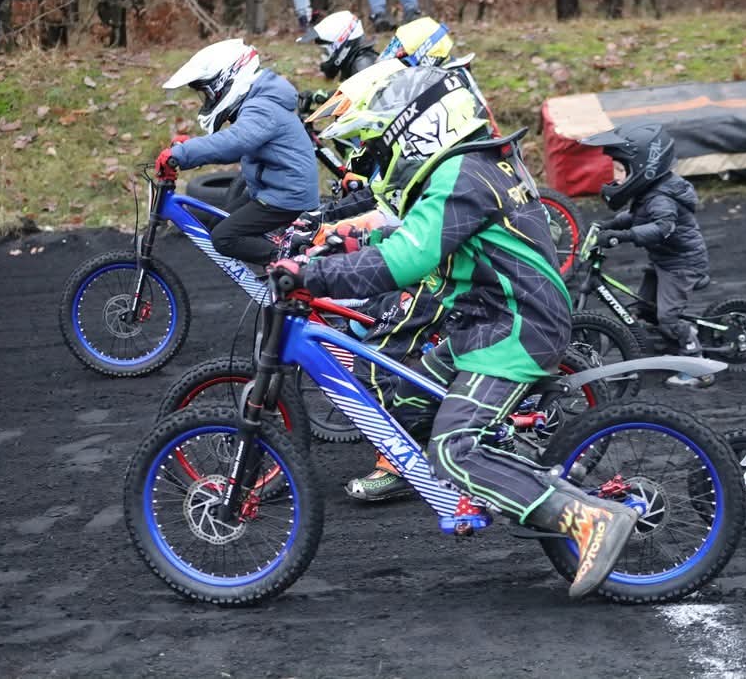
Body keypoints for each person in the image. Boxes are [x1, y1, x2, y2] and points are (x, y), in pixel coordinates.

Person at [270, 66, 639, 598]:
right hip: (488, 319)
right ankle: (496, 476)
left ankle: (584, 518)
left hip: (516, 325)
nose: (370, 156)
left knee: (451, 448)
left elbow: (405, 260)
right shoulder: (473, 165)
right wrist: (344, 246)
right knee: (399, 398)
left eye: (376, 143)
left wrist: (312, 273)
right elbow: (424, 235)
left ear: (417, 130)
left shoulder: (461, 175)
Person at [155, 39, 319, 265]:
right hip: (273, 189)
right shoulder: (259, 101)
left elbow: (235, 142)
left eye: (208, 93)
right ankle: (275, 266)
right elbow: (237, 145)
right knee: (216, 223)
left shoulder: (262, 106)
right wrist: (190, 147)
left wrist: (183, 153)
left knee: (224, 237)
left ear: (227, 80)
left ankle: (291, 265)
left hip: (287, 196)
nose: (208, 100)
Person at [582, 119, 713, 387]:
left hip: (682, 264)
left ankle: (698, 365)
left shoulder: (662, 198)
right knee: (645, 308)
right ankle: (668, 340)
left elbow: (662, 227)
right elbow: (635, 215)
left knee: (668, 317)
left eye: (620, 169)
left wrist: (623, 237)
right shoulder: (650, 191)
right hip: (664, 261)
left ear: (645, 168)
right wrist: (611, 225)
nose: (615, 176)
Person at [297, 10, 379, 81]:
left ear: (342, 44)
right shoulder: (355, 63)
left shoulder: (362, 68)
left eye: (326, 50)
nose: (324, 57)